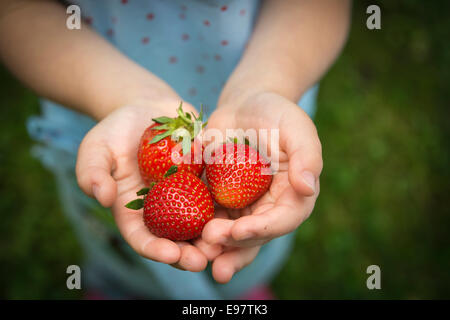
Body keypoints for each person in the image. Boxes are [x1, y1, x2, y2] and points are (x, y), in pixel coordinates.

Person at [0, 0, 351, 299]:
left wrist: (266, 84)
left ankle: (240, 290)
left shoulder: (252, 155)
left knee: (245, 236)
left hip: (259, 93)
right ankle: (117, 285)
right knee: (113, 239)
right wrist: (121, 96)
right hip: (96, 105)